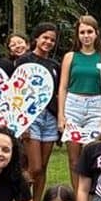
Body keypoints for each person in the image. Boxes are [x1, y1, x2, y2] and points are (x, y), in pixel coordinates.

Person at [58, 13, 101, 169]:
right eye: (82, 32)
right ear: (78, 35)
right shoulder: (70, 57)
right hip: (73, 105)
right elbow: (63, 87)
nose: (86, 36)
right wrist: (61, 116)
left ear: (96, 33)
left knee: (91, 156)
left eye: (89, 32)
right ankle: (75, 186)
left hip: (96, 106)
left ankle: (90, 186)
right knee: (74, 160)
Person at [22, 21, 64, 188]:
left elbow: (58, 92)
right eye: (45, 38)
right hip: (31, 117)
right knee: (34, 167)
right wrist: (22, 122)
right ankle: (21, 200)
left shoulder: (55, 65)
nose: (48, 42)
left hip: (50, 118)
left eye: (52, 40)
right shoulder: (24, 60)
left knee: (43, 168)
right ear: (36, 38)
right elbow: (17, 91)